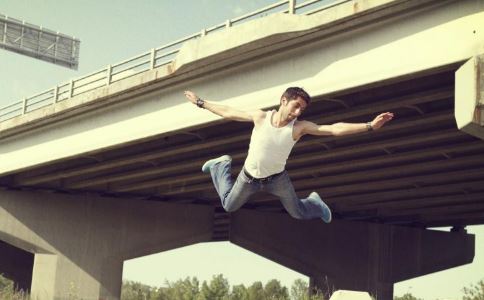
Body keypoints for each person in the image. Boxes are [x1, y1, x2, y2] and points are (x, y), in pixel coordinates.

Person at [184, 88, 393, 223]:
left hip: (277, 180)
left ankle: (315, 203)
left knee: (297, 213)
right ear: (284, 101)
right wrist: (201, 102)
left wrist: (370, 126)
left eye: (302, 109)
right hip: (249, 178)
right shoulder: (260, 117)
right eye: (296, 106)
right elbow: (229, 111)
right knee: (228, 205)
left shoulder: (299, 128)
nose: (298, 112)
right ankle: (220, 165)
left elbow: (333, 129)